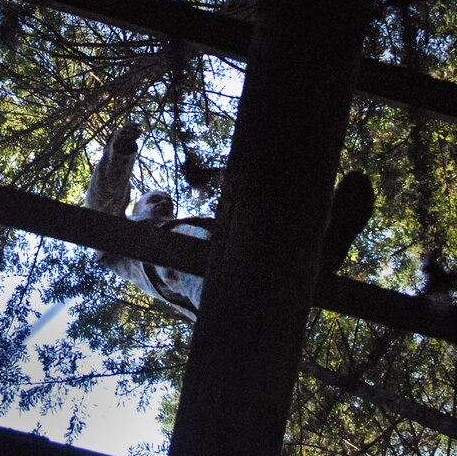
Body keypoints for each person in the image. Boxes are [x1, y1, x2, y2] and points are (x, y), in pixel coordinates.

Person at [86, 123, 374, 322]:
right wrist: (119, 153)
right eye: (153, 200)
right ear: (135, 209)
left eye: (167, 201)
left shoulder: (197, 224)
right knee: (185, 245)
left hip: (241, 251)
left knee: (256, 233)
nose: (163, 202)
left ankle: (315, 251)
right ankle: (232, 310)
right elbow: (102, 206)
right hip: (191, 272)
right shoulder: (125, 251)